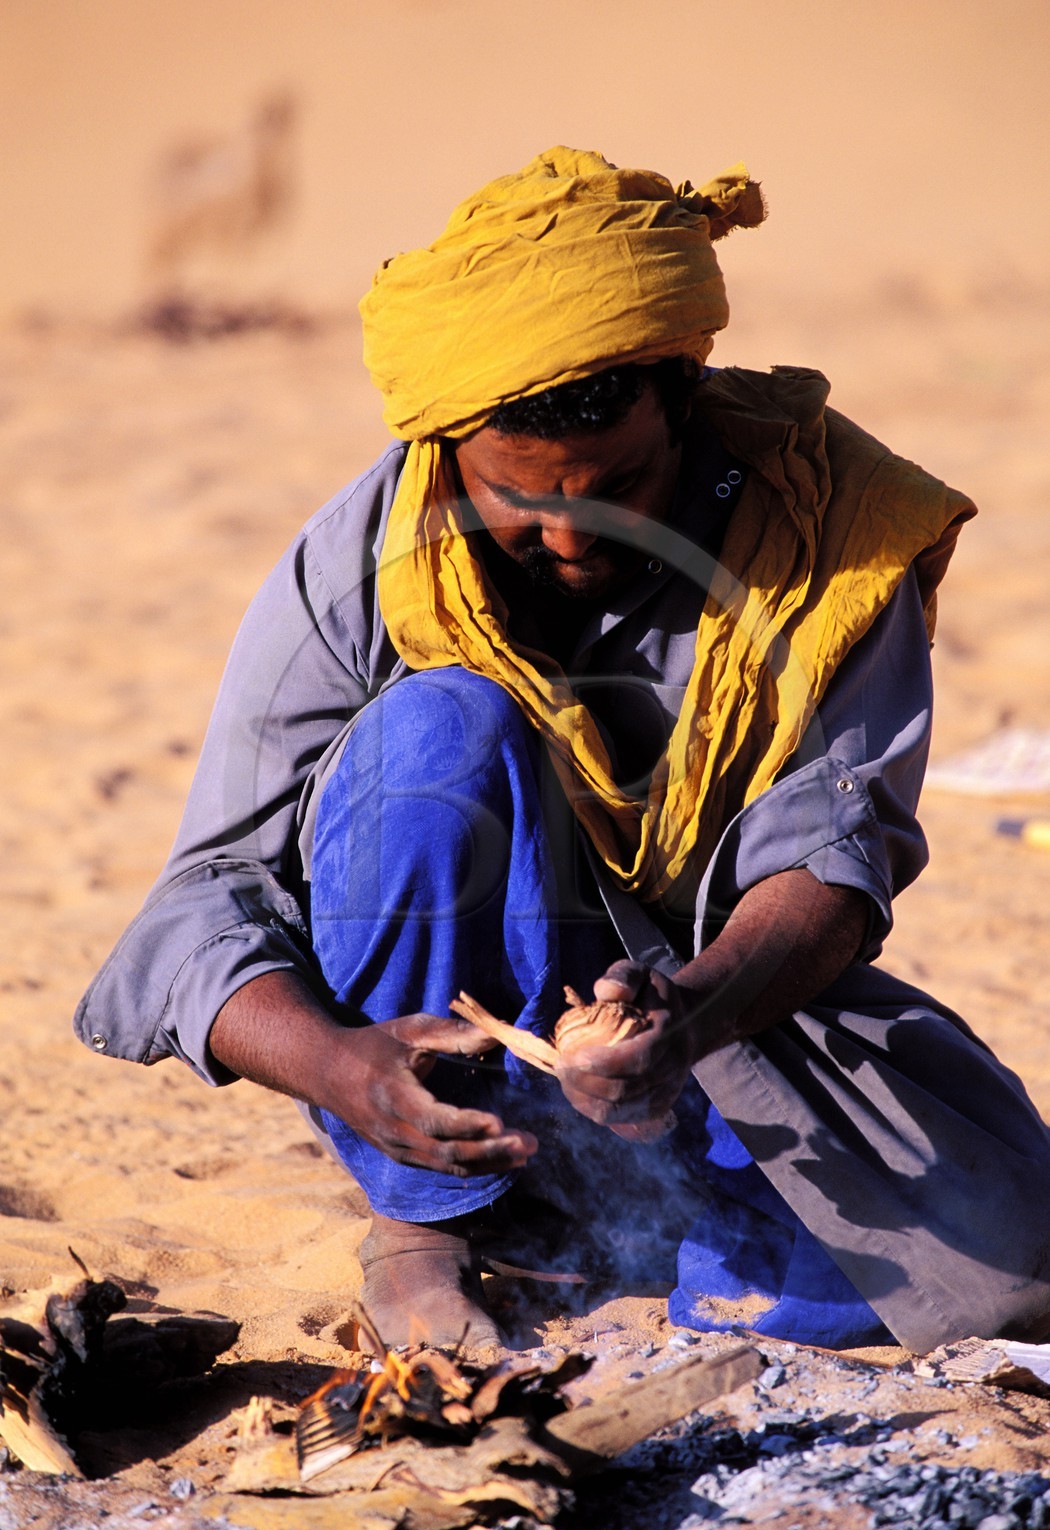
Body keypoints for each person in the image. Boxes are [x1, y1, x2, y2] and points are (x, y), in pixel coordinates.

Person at [76, 147, 1050, 1356]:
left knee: (1000, 1267)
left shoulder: (834, 532)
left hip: (720, 1014)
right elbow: (199, 905)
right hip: (446, 1034)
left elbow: (831, 867)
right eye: (514, 497)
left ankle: (609, 1216)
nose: (567, 535)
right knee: (441, 729)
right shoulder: (366, 558)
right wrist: (340, 1066)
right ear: (452, 454)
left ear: (682, 402)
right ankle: (430, 1226)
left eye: (616, 487)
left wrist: (681, 1019)